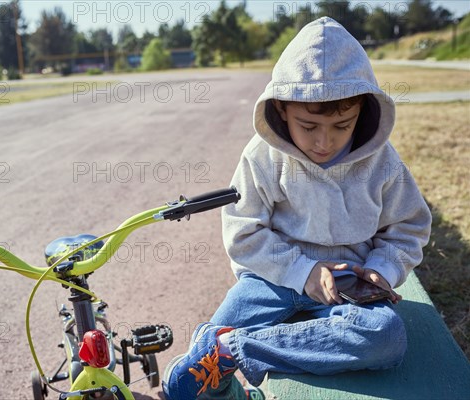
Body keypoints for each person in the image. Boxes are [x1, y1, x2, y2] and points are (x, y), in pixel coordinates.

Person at [162, 17, 432, 400]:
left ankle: (233, 349)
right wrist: (302, 272)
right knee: (197, 364)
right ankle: (224, 370)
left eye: (343, 126)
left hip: (348, 286)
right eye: (308, 126)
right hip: (272, 280)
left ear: (363, 112)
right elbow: (243, 230)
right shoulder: (262, 156)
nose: (325, 142)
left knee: (385, 338)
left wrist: (380, 270)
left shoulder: (383, 163)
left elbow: (409, 228)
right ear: (282, 109)